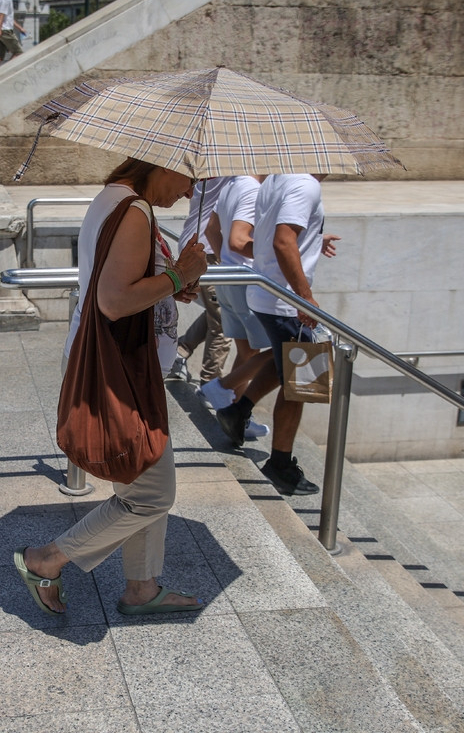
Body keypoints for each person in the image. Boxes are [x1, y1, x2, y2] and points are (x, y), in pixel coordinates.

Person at [14, 158, 209, 616]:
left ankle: (141, 588)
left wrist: (171, 283)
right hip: (121, 373)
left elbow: (122, 283)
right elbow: (115, 300)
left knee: (140, 489)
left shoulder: (115, 199)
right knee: (153, 495)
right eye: (190, 179)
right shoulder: (134, 210)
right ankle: (45, 560)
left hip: (124, 367)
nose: (187, 192)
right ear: (164, 164)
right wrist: (180, 274)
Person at [242, 173, 339, 496]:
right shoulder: (306, 184)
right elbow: (283, 240)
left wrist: (314, 239)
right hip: (286, 302)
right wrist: (305, 298)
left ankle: (236, 412)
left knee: (284, 365)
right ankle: (280, 463)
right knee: (303, 385)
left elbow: (277, 234)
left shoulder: (276, 179)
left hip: (268, 293)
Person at [197, 175, 275, 447]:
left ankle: (237, 415)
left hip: (230, 276)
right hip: (246, 283)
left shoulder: (232, 184)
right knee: (278, 351)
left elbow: (210, 228)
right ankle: (221, 388)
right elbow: (240, 240)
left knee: (247, 352)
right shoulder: (253, 190)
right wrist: (276, 251)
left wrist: (224, 260)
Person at [166, 179, 230, 385]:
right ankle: (210, 383)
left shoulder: (206, 171)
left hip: (197, 243)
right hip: (209, 250)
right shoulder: (229, 173)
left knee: (218, 311)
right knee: (224, 319)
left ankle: (181, 350)